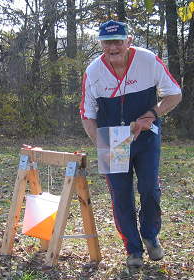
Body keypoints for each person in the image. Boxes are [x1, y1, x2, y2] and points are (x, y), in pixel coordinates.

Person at [80, 20, 182, 267]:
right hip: (111, 141)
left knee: (149, 188)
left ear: (129, 42)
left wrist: (152, 114)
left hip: (145, 137)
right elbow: (87, 113)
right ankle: (133, 249)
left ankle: (150, 234)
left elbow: (175, 93)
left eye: (117, 41)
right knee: (121, 197)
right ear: (101, 45)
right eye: (107, 42)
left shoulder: (148, 61)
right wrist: (100, 143)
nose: (112, 47)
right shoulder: (93, 72)